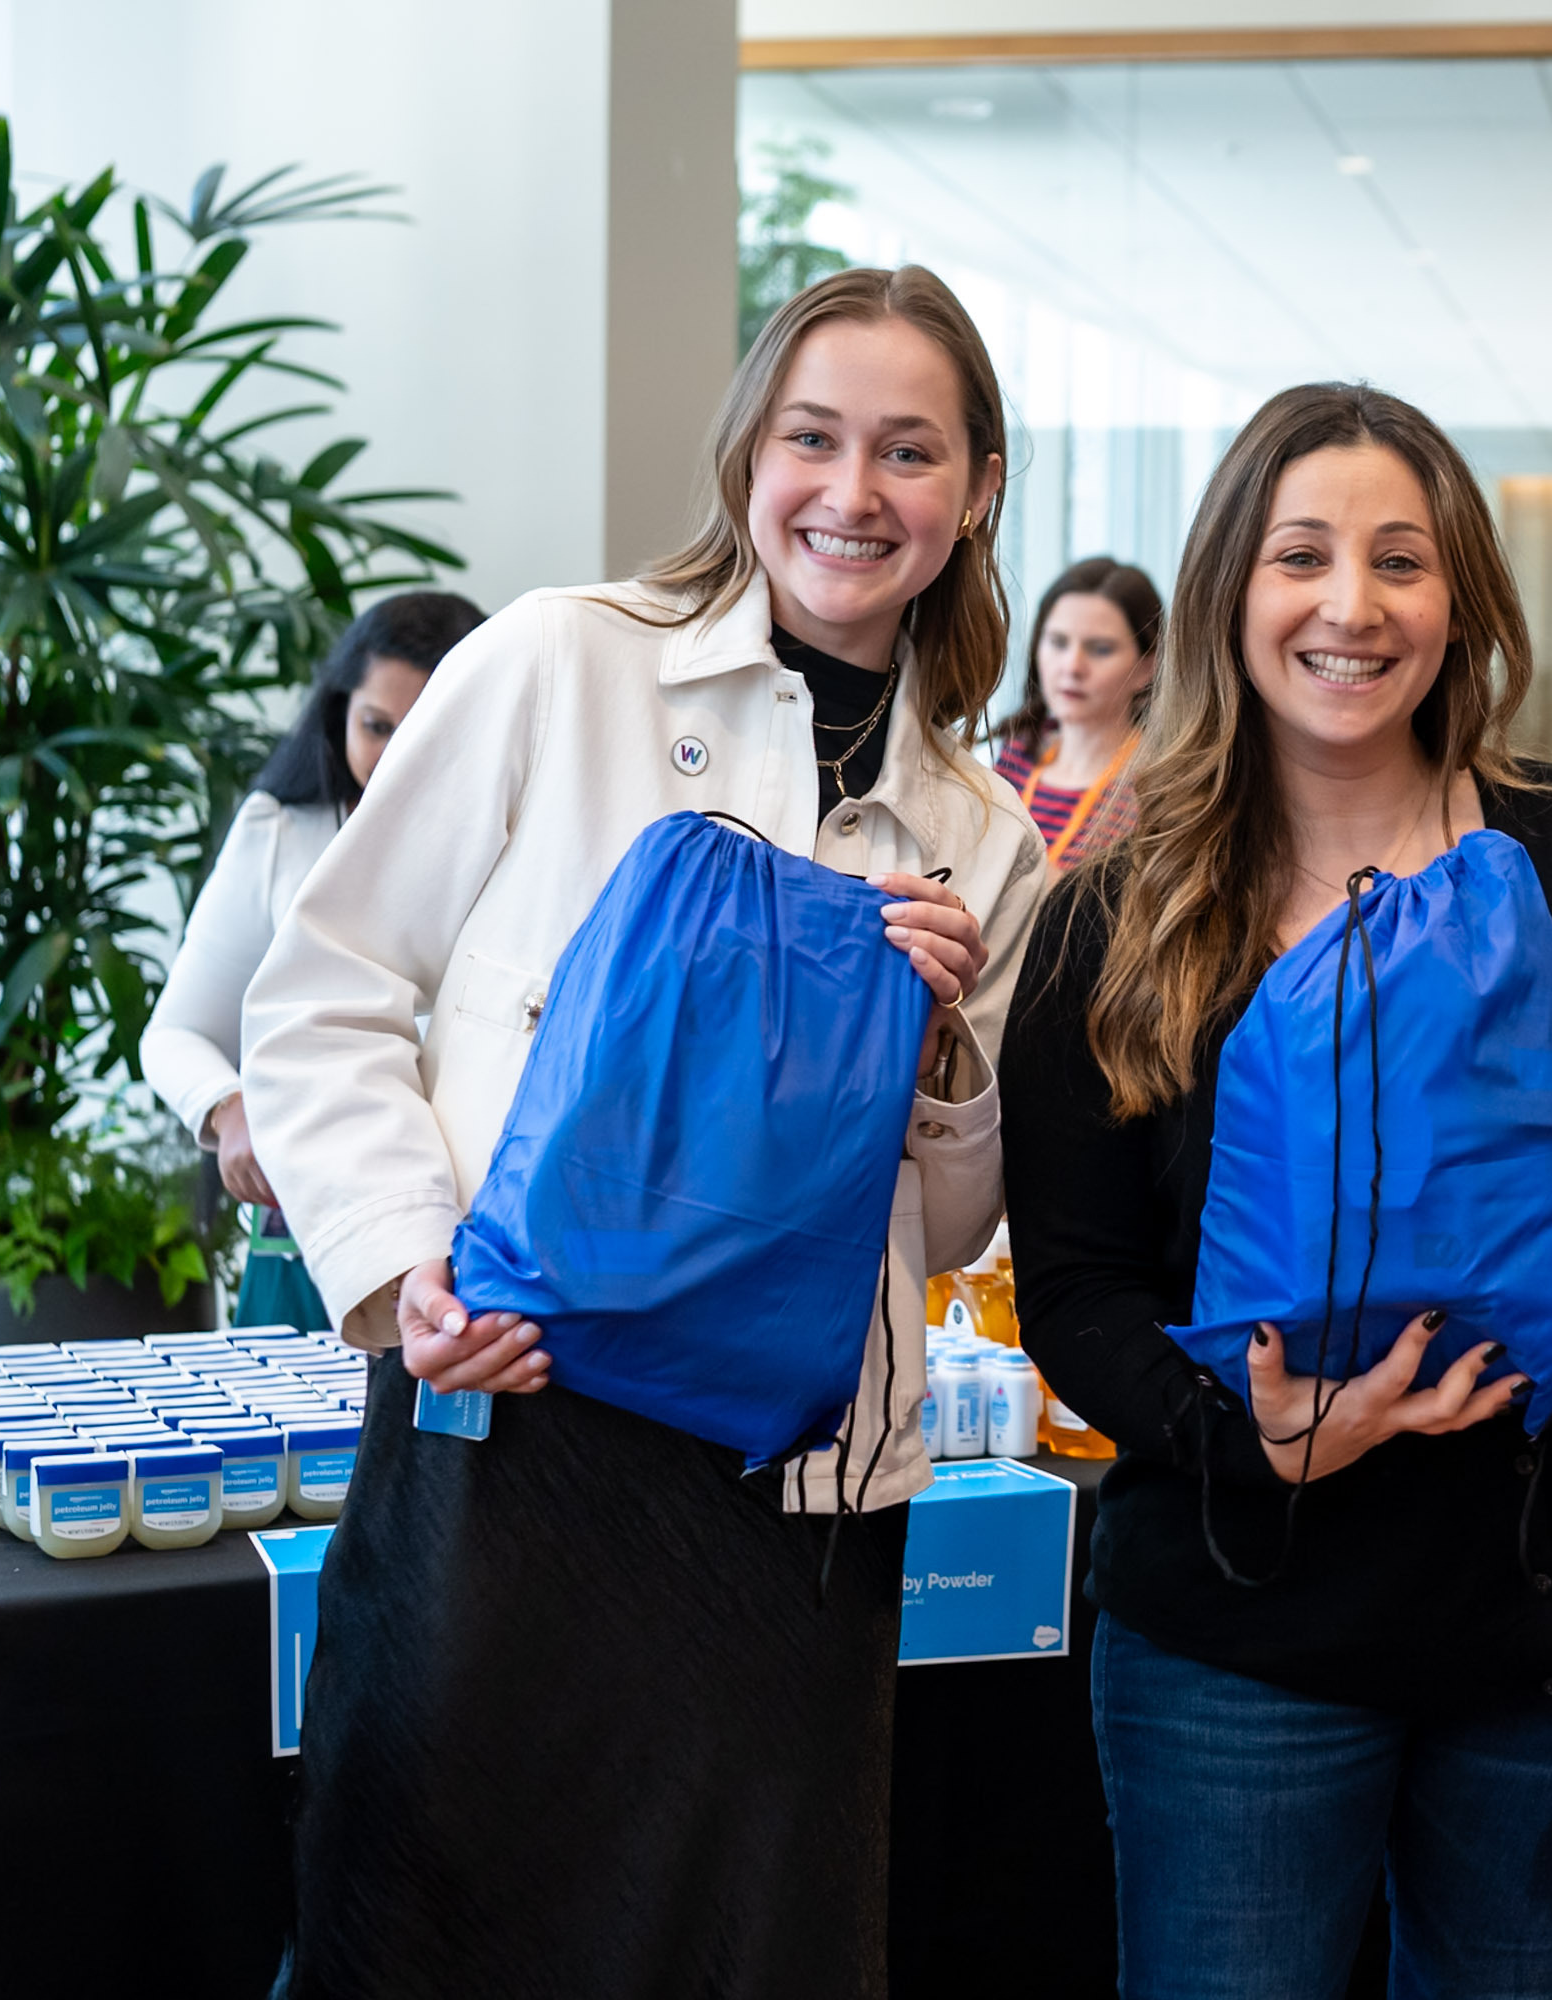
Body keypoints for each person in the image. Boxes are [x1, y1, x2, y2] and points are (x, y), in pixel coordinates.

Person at [239, 266, 1049, 2000]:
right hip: (506, 1430)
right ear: (745, 447)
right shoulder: (556, 663)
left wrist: (942, 1054)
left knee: (745, 1951)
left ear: (977, 488)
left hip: (792, 1508)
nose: (853, 493)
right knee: (431, 1943)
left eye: (911, 452)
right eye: (814, 437)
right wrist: (404, 1267)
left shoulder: (982, 827)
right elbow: (326, 990)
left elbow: (963, 1228)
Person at [1000, 382, 1552, 2000]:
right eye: (1303, 557)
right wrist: (1252, 1437)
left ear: (1461, 599)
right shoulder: (1112, 918)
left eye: (1401, 561)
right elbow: (1075, 1288)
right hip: (1236, 1624)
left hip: (1550, 1619)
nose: (1353, 606)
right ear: (1228, 593)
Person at [140, 590, 485, 1331]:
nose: (397, 756)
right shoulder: (282, 830)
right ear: (339, 715)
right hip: (314, 1235)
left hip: (475, 1242)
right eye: (376, 727)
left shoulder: (520, 841)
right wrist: (229, 1111)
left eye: (424, 729)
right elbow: (173, 1035)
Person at [994, 555, 1161, 868]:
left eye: (1100, 649)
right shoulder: (1014, 757)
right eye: (1058, 642)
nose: (1072, 666)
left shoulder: (1157, 787)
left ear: (1146, 668)